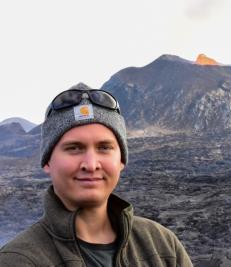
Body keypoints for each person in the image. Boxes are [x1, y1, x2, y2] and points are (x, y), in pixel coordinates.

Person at [0, 83, 193, 267]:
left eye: (104, 147)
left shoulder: (162, 245)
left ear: (121, 160)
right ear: (47, 161)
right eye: (74, 148)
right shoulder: (18, 260)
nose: (91, 165)